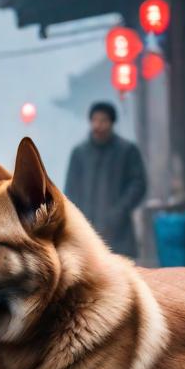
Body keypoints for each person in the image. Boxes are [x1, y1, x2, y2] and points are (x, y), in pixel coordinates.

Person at [64, 100, 147, 257]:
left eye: (103, 121)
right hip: (86, 229)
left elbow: (138, 184)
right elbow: (71, 189)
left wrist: (119, 210)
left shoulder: (127, 151)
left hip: (119, 230)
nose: (98, 125)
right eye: (94, 120)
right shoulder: (80, 153)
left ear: (111, 123)